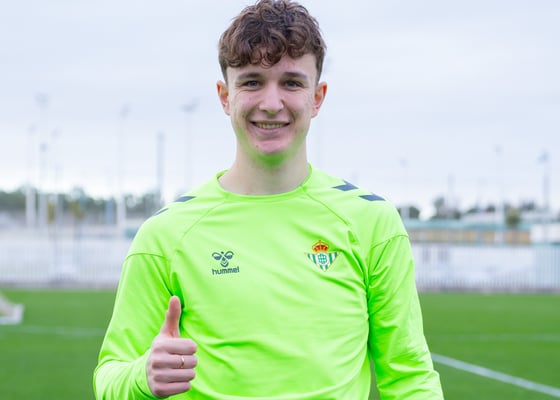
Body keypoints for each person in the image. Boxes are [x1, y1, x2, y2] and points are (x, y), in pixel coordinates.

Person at [93, 0, 445, 399]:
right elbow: (109, 378)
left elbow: (411, 377)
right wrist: (141, 377)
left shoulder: (372, 222)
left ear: (317, 96)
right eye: (252, 82)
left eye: (291, 83)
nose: (272, 103)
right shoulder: (166, 234)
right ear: (225, 96)